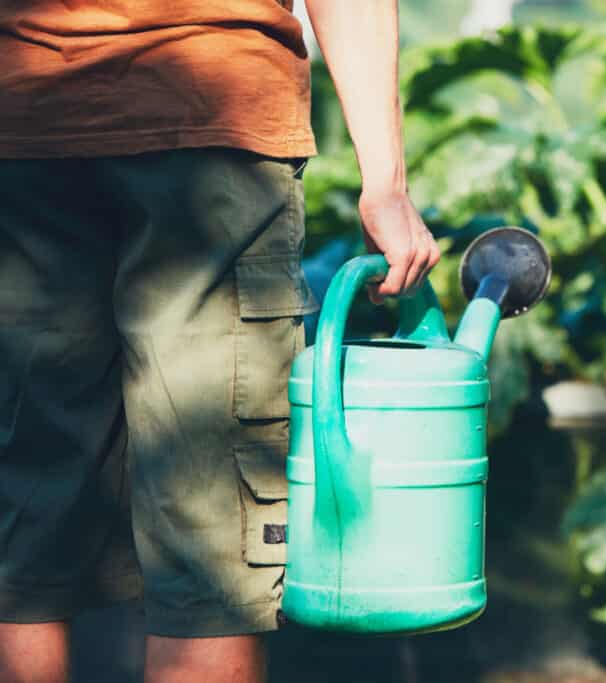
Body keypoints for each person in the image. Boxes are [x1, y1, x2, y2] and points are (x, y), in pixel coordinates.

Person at [0, 1, 440, 681]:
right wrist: (384, 181)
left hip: (26, 120)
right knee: (210, 533)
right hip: (212, 119)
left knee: (25, 516)